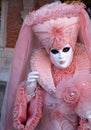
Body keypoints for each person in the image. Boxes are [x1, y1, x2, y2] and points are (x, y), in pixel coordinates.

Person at [0, 1, 91, 130]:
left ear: (73, 48)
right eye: (54, 51)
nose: (61, 56)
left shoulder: (85, 72)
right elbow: (31, 110)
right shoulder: (41, 75)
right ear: (48, 52)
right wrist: (29, 91)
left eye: (65, 49)